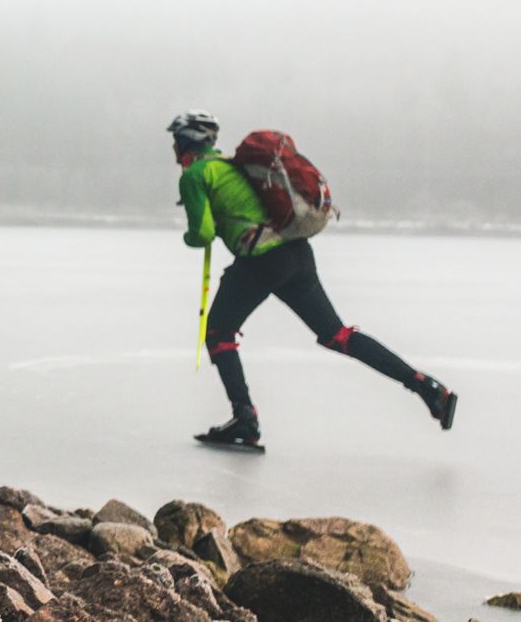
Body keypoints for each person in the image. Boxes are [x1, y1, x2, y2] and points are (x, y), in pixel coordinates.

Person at [166, 111, 457, 448]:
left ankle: (245, 419)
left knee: (218, 332)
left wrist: (194, 235)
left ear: (185, 143)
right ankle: (428, 387)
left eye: (176, 140)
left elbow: (201, 234)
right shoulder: (231, 165)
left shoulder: (195, 176)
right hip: (296, 254)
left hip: (262, 261)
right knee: (338, 335)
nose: (173, 147)